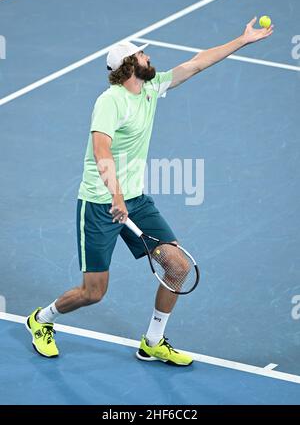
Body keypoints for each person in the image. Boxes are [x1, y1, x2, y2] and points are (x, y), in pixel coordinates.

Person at [26, 18, 273, 366]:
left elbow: (197, 62)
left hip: (135, 201)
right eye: (141, 54)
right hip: (100, 204)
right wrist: (115, 195)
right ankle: (42, 319)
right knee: (93, 293)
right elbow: (101, 151)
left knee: (177, 266)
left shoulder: (151, 87)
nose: (147, 55)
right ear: (129, 66)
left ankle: (153, 341)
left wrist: (243, 40)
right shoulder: (109, 102)